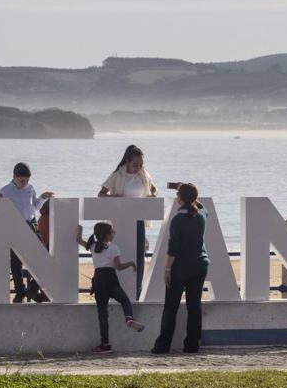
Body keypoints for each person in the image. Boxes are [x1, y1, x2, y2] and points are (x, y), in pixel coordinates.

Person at [152, 183, 209, 354]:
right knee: (194, 306)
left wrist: (167, 269)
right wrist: (185, 189)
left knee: (171, 307)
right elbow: (200, 205)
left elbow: (173, 249)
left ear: (180, 199)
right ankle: (192, 345)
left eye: (178, 194)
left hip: (179, 268)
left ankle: (163, 345)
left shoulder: (178, 220)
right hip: (200, 265)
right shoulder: (201, 215)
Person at [98, 145, 157, 300]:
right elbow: (101, 194)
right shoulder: (117, 175)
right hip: (120, 222)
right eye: (135, 164)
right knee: (121, 255)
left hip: (138, 221)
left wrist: (151, 197)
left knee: (139, 256)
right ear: (127, 162)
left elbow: (153, 190)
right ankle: (119, 291)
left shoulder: (144, 174)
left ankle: (136, 292)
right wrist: (116, 199)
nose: (138, 167)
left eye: (141, 164)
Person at [77, 223, 145, 353]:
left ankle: (105, 344)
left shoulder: (92, 246)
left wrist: (80, 229)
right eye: (112, 232)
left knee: (102, 313)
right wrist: (131, 263)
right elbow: (118, 267)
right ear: (107, 234)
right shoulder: (114, 248)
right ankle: (129, 319)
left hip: (98, 280)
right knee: (124, 301)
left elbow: (78, 240)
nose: (113, 234)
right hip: (110, 279)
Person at [0, 162, 53, 303]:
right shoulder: (6, 190)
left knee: (43, 256)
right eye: (22, 180)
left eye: (27, 180)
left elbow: (34, 206)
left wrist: (42, 198)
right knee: (16, 262)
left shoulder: (30, 188)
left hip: (31, 224)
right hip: (15, 227)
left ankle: (33, 289)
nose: (24, 183)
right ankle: (20, 292)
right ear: (14, 177)